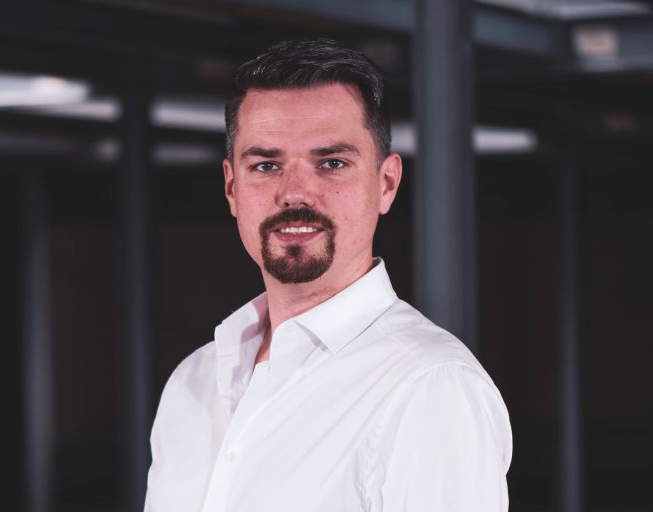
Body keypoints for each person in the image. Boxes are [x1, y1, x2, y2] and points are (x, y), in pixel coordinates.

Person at [144, 39, 512, 511]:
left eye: (332, 163)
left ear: (386, 183)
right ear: (232, 188)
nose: (295, 192)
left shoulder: (431, 388)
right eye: (266, 165)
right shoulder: (191, 385)